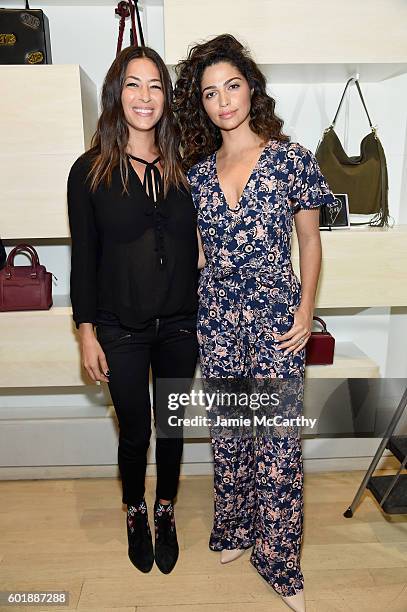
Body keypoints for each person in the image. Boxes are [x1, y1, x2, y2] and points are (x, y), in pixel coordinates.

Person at [174, 34, 336, 611]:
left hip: (275, 316)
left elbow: (309, 241)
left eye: (232, 86)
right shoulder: (196, 174)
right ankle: (236, 529)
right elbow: (197, 252)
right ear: (203, 104)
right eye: (211, 93)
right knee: (231, 433)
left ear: (251, 88)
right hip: (215, 315)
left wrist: (306, 307)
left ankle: (280, 562)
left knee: (279, 440)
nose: (224, 101)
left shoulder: (292, 158)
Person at [67, 45, 199, 575]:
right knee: (135, 429)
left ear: (165, 97)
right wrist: (85, 332)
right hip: (119, 329)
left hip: (180, 325)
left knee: (170, 427)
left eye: (155, 86)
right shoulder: (89, 171)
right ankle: (134, 509)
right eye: (133, 84)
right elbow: (84, 259)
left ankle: (165, 508)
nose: (145, 97)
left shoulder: (185, 168)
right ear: (115, 93)